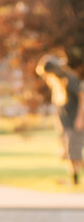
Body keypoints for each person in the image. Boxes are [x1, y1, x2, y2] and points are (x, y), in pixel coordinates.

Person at [35, 53, 84, 186]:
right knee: (68, 153)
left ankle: (75, 180)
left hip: (75, 122)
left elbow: (82, 97)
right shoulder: (56, 83)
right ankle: (75, 180)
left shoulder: (70, 80)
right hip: (66, 123)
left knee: (75, 154)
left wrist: (80, 118)